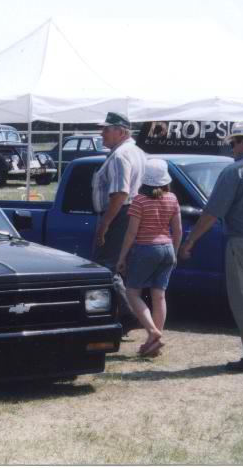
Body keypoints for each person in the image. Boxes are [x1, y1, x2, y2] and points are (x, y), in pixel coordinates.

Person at [180, 122, 243, 373]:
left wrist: (191, 240)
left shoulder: (234, 171)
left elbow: (212, 213)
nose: (232, 148)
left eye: (234, 143)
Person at [116, 159, 182, 357]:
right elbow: (178, 231)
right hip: (167, 248)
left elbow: (131, 233)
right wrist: (175, 252)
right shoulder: (172, 198)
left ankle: (153, 332)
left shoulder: (139, 200)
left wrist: (122, 257)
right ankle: (153, 345)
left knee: (132, 293)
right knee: (159, 296)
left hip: (146, 249)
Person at [91, 112, 147, 332]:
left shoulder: (120, 155)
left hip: (119, 214)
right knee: (119, 267)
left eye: (106, 129)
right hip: (129, 213)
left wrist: (105, 224)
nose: (102, 133)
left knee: (106, 268)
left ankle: (129, 315)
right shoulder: (137, 152)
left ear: (121, 131)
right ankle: (125, 315)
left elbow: (120, 193)